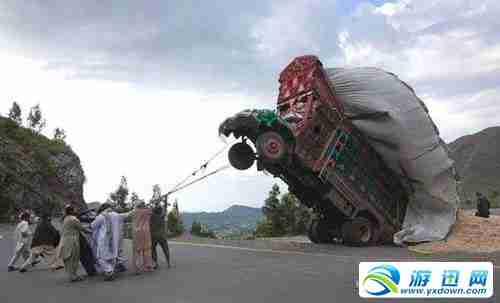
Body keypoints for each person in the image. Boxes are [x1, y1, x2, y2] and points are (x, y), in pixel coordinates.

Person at [59, 205, 85, 282]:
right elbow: (81, 228)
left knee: (68, 258)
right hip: (72, 241)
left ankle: (72, 275)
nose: (75, 211)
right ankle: (73, 276)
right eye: (74, 209)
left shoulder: (65, 219)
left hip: (65, 240)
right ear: (71, 211)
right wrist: (92, 230)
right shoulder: (73, 219)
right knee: (74, 258)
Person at [91, 203, 116, 281]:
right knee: (109, 256)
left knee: (99, 257)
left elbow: (93, 225)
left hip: (103, 239)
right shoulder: (111, 215)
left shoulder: (101, 216)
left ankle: (109, 271)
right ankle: (109, 270)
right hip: (110, 238)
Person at [131, 202, 154, 274]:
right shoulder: (148, 211)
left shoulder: (134, 211)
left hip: (136, 232)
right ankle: (148, 266)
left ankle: (137, 269)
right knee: (147, 249)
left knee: (137, 251)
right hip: (146, 232)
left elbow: (131, 213)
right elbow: (151, 210)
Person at [150, 201, 171, 269]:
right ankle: (168, 263)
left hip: (153, 236)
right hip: (162, 236)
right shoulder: (162, 216)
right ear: (160, 211)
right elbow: (164, 209)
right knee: (165, 249)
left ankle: (155, 263)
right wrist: (165, 200)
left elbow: (151, 210)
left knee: (153, 249)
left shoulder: (152, 216)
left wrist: (153, 204)